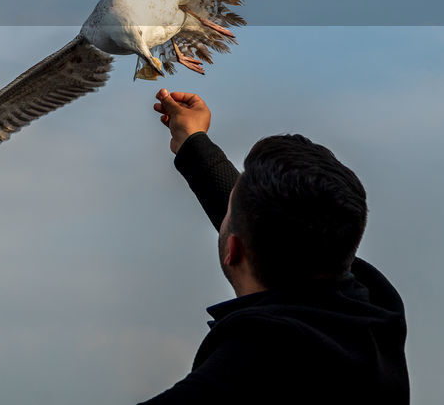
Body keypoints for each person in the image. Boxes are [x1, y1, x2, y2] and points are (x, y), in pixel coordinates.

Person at [139, 88, 409, 404]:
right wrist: (193, 141)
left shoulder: (241, 373)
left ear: (233, 250)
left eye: (229, 212)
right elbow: (290, 224)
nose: (226, 210)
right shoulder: (374, 317)